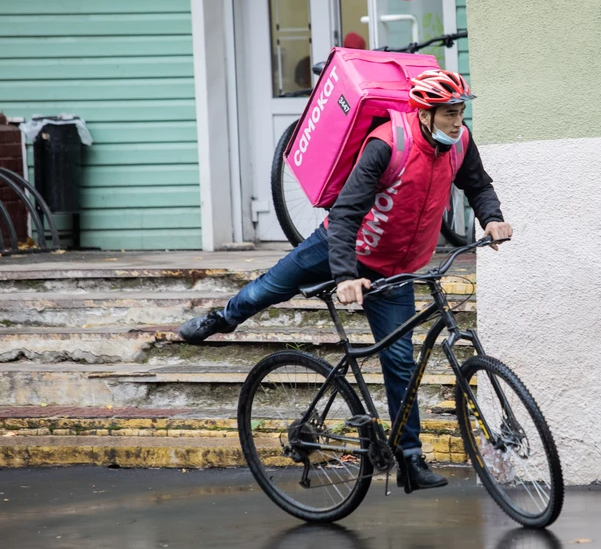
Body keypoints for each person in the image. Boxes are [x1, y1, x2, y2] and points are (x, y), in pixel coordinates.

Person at [178, 69, 512, 492]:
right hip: (342, 248)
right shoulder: (387, 144)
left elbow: (477, 185)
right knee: (269, 288)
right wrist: (345, 276)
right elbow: (348, 214)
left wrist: (493, 218)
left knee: (400, 365)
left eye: (461, 111)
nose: (457, 121)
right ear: (424, 114)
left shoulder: (459, 143)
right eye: (449, 113)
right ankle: (221, 318)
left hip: (395, 270)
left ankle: (409, 460)